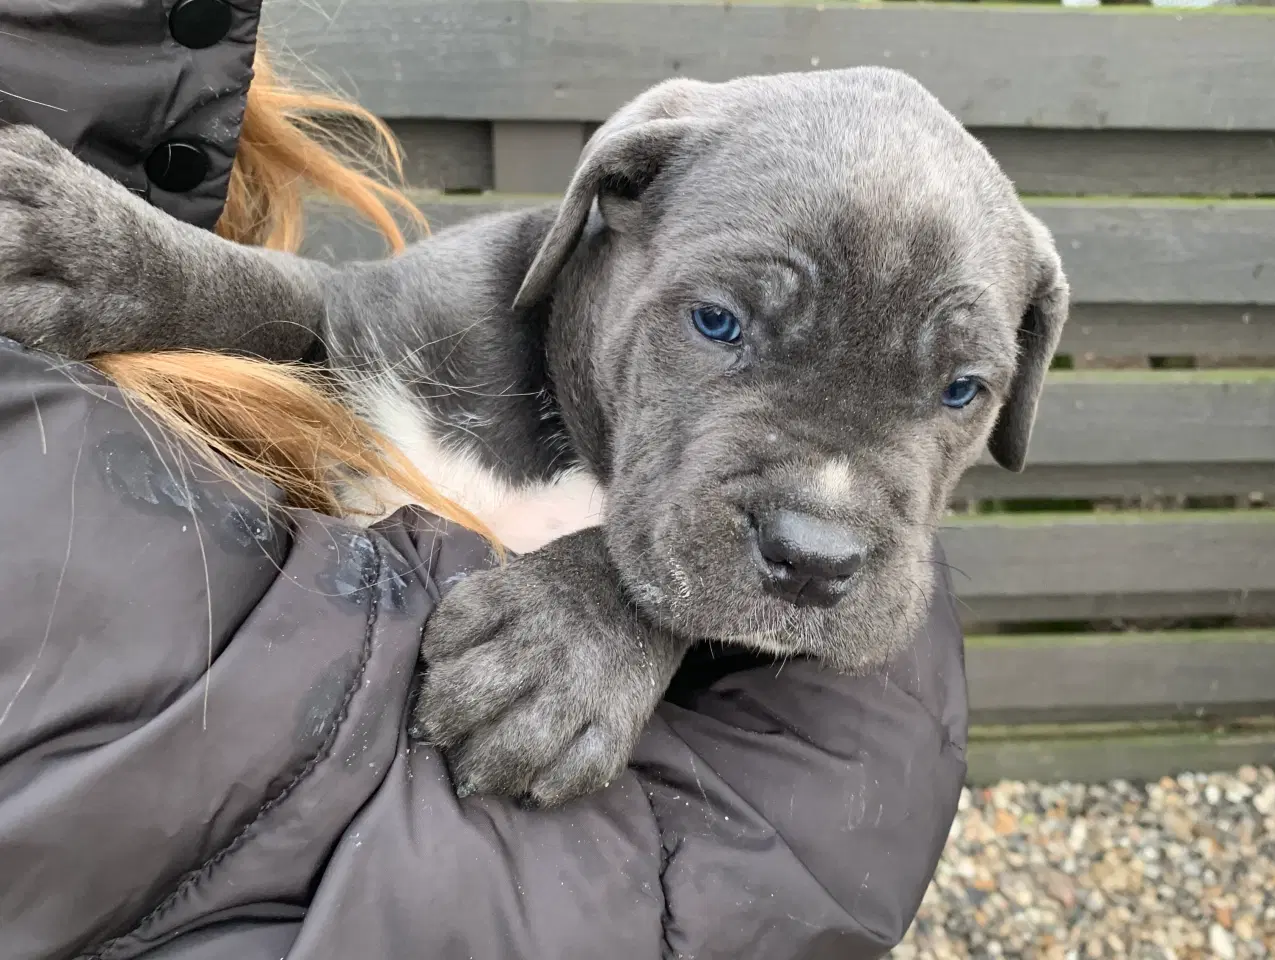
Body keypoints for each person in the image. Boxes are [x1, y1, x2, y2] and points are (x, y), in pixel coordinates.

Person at [0, 3, 969, 958]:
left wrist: (622, 604)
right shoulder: (469, 304)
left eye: (958, 388)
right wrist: (151, 276)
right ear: (609, 202)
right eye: (721, 321)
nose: (827, 516)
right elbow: (332, 323)